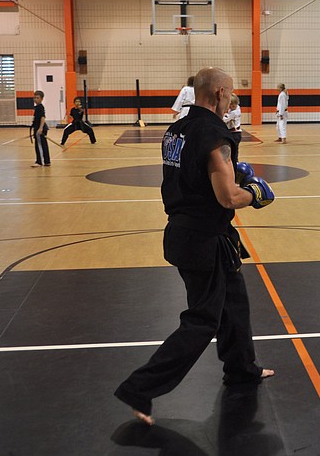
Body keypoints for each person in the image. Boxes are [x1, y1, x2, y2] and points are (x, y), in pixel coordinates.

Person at [115, 66, 276, 426]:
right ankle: (139, 387)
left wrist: (235, 174)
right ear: (219, 93)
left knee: (234, 300)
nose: (233, 100)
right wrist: (254, 192)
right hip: (203, 238)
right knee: (203, 321)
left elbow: (196, 176)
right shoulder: (215, 134)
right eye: (231, 93)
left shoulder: (177, 129)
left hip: (187, 233)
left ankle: (242, 368)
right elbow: (227, 197)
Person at [30, 90, 51, 167]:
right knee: (44, 144)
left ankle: (39, 162)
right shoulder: (37, 107)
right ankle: (47, 161)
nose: (35, 99)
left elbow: (42, 117)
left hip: (40, 129)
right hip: (39, 128)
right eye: (34, 98)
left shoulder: (40, 107)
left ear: (41, 99)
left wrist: (40, 128)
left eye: (37, 98)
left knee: (39, 145)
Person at [223, 94, 243, 160]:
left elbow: (225, 120)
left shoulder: (234, 112)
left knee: (234, 153)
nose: (231, 107)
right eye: (230, 105)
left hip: (235, 133)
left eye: (233, 105)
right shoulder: (237, 108)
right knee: (232, 152)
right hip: (233, 132)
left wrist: (223, 115)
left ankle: (234, 165)